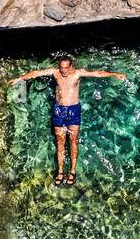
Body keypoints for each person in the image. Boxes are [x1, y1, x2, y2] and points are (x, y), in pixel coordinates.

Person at [7, 55, 128, 185]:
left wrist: (114, 74)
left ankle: (72, 171)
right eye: (61, 67)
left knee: (73, 140)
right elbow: (36, 73)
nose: (63, 71)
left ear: (71, 66)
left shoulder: (77, 73)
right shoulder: (55, 72)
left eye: (66, 68)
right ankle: (60, 171)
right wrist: (19, 78)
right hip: (59, 110)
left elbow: (97, 73)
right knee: (60, 140)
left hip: (73, 110)